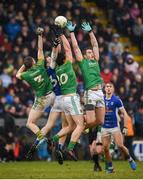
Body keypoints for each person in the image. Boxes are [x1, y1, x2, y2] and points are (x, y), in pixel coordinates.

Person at [16, 27, 55, 157]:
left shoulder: (26, 75)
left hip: (41, 100)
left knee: (30, 123)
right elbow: (40, 49)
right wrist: (39, 36)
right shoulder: (39, 65)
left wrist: (24, 65)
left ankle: (41, 137)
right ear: (34, 61)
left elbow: (17, 75)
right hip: (52, 95)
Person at [48, 27, 85, 163]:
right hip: (71, 98)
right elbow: (69, 49)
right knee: (80, 125)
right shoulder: (68, 65)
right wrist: (63, 35)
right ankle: (69, 148)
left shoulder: (56, 69)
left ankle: (54, 139)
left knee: (69, 126)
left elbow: (56, 56)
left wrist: (56, 42)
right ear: (65, 59)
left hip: (63, 100)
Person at [66, 21, 105, 128]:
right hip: (90, 93)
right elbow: (75, 47)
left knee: (100, 121)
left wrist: (90, 32)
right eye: (89, 52)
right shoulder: (83, 62)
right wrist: (72, 32)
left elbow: (95, 45)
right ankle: (79, 123)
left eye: (91, 52)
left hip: (100, 92)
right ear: (84, 55)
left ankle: (82, 128)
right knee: (91, 120)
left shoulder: (95, 60)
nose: (91, 53)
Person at [101, 82, 137, 173]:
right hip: (104, 127)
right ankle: (110, 167)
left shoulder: (116, 100)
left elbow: (125, 114)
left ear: (113, 89)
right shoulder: (101, 99)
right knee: (105, 148)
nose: (108, 88)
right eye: (107, 86)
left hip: (114, 127)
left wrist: (125, 126)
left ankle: (130, 159)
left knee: (120, 145)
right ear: (104, 89)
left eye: (110, 86)